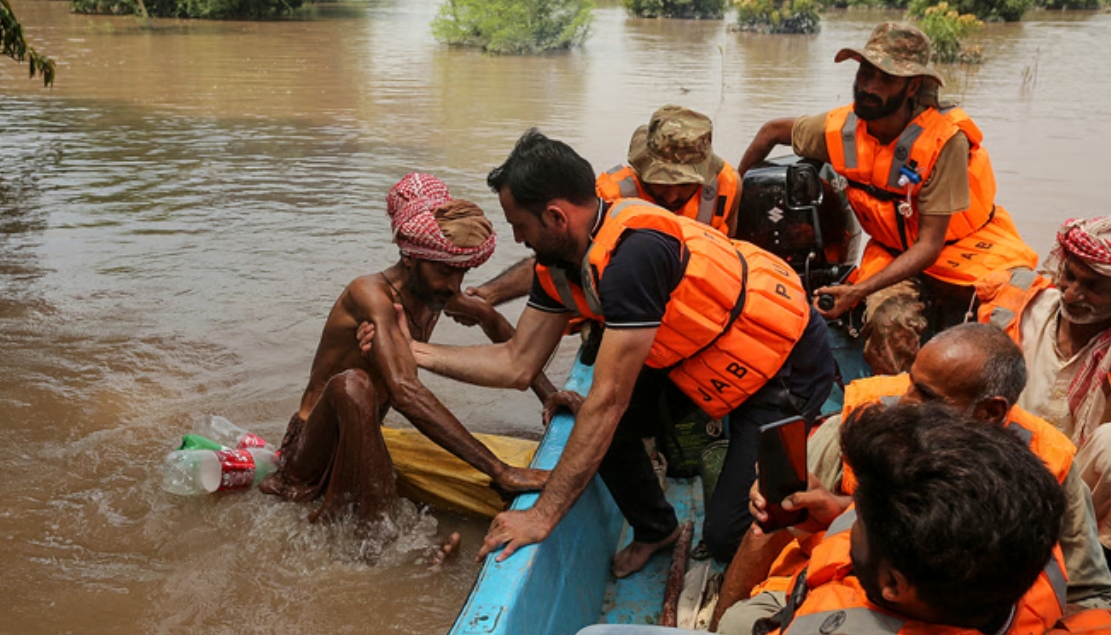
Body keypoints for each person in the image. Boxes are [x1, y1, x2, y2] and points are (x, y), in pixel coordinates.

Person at [364, 130, 833, 574]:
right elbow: (517, 363)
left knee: (731, 534)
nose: (517, 240)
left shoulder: (634, 255)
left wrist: (541, 516)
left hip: (783, 361)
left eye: (520, 225)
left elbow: (609, 401)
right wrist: (415, 351)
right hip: (705, 358)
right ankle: (658, 529)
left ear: (555, 217)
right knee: (599, 423)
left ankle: (823, 532)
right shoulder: (559, 263)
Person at [564, 402, 1068, 635]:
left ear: (893, 584)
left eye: (860, 523)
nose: (849, 526)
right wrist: (830, 512)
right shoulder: (1015, 536)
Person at [713, 323, 1111, 635]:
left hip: (976, 631)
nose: (904, 404)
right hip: (834, 593)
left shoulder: (1050, 462)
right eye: (910, 383)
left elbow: (1089, 597)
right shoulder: (859, 420)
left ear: (990, 413)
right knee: (737, 627)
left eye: (925, 396)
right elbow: (769, 530)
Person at [261, 172, 568, 529]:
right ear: (410, 258)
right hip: (312, 451)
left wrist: (551, 396)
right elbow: (404, 391)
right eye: (443, 272)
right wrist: (499, 471)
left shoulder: (437, 292)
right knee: (353, 385)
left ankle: (376, 520)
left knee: (360, 388)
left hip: (365, 435)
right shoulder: (371, 296)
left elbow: (494, 324)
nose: (453, 285)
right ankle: (376, 530)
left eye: (462, 272)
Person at [738, 22, 1039, 376]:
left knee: (1011, 322)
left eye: (884, 79)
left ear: (912, 86)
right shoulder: (842, 129)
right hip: (892, 251)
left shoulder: (945, 142)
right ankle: (900, 410)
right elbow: (770, 132)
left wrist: (857, 291)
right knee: (886, 323)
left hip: (967, 250)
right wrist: (735, 201)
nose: (868, 87)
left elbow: (929, 245)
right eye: (865, 73)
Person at [449, 105, 742, 320]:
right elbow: (554, 252)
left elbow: (731, 251)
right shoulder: (608, 194)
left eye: (684, 183)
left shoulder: (727, 185)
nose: (671, 194)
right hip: (627, 309)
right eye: (661, 181)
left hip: (698, 310)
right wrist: (491, 294)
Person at [977, 214, 1111, 579]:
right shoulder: (1022, 310)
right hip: (998, 470)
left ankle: (1089, 563)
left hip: (1080, 497)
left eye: (1093, 286)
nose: (1071, 293)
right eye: (1069, 276)